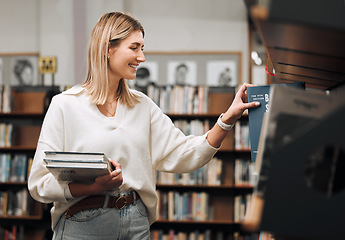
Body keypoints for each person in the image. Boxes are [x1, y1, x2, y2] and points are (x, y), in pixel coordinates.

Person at [28, 12, 260, 240]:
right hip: (83, 225)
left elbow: (184, 154)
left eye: (142, 49)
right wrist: (92, 188)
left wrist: (227, 119)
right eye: (134, 47)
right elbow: (39, 184)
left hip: (136, 223)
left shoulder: (143, 105)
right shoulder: (65, 105)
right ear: (108, 48)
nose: (142, 57)